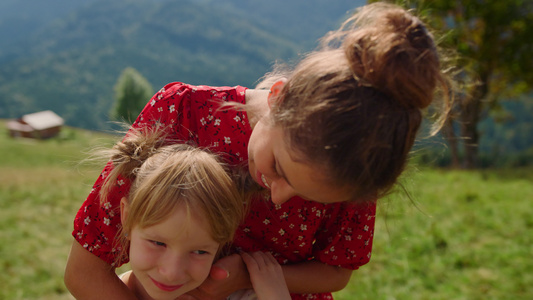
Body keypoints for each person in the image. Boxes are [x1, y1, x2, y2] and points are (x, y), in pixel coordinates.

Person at [65, 3, 451, 299]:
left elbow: (337, 269)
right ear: (278, 98)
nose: (277, 195)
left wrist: (253, 275)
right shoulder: (182, 113)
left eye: (310, 197)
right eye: (278, 167)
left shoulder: (354, 164)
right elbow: (86, 271)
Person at [91, 128, 290, 300]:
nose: (172, 273)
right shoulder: (97, 292)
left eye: (200, 252)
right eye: (158, 243)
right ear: (126, 216)